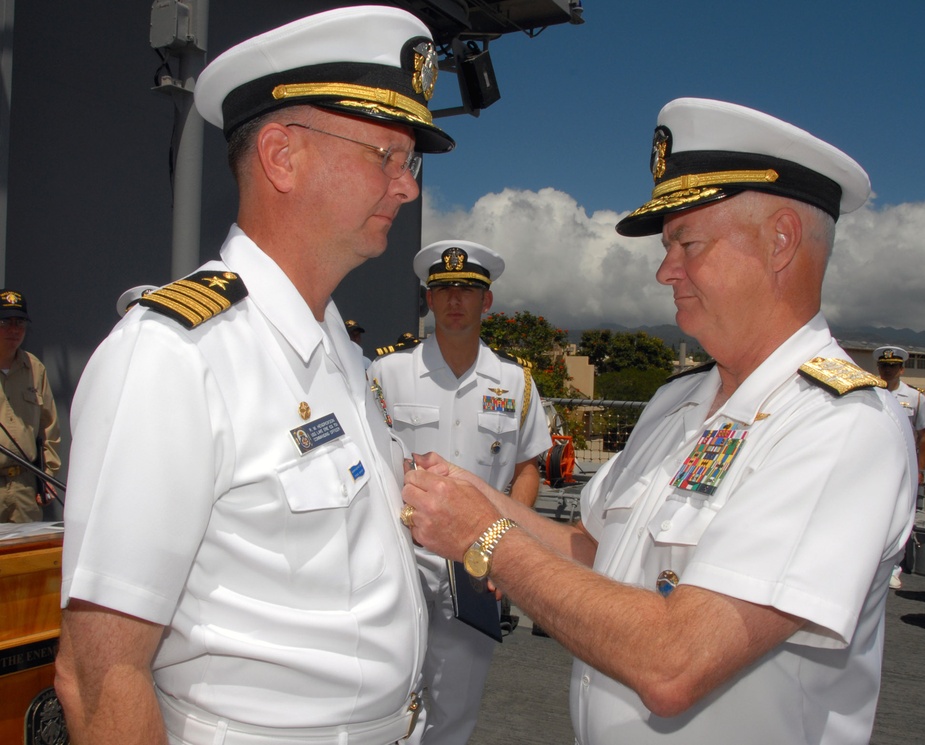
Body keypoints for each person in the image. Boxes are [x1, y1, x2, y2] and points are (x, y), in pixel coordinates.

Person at [399, 98, 916, 744]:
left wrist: (484, 536)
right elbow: (591, 553)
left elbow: (677, 660)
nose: (663, 269)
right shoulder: (677, 403)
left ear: (780, 240)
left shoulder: (840, 424)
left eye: (686, 243)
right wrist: (470, 495)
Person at [55, 6, 454, 745]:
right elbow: (97, 675)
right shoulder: (176, 357)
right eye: (386, 156)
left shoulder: (337, 347)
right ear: (281, 156)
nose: (405, 187)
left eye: (412, 163)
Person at [368, 240, 551, 745]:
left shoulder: (515, 382)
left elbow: (528, 467)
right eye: (443, 289)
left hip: (474, 566)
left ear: (486, 302)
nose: (455, 300)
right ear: (428, 299)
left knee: (457, 709)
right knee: (382, 696)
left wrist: (503, 539)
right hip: (400, 557)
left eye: (467, 291)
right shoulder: (387, 373)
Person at [874, 345, 925, 589]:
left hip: (903, 463)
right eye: (883, 366)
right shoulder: (869, 392)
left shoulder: (914, 397)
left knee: (900, 515)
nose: (887, 370)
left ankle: (894, 567)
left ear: (901, 369)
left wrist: (919, 469)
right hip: (875, 462)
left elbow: (924, 436)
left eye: (892, 366)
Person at [0, 289, 61, 523]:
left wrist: (47, 477)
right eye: (5, 322)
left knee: (28, 557)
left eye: (20, 322)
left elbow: (49, 429)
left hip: (24, 490)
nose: (14, 330)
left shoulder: (35, 369)